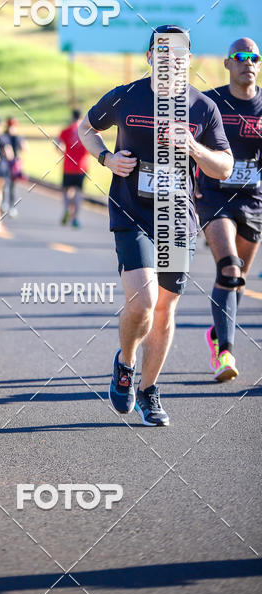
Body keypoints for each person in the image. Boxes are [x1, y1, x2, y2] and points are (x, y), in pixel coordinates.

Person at [79, 25, 232, 427]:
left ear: (188, 60)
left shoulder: (202, 107)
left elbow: (225, 165)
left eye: (178, 54)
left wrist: (194, 147)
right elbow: (86, 129)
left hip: (178, 218)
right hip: (131, 212)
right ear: (150, 57)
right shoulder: (127, 95)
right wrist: (107, 159)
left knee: (164, 310)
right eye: (162, 53)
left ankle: (148, 391)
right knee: (144, 302)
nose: (170, 60)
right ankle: (125, 362)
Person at [196, 37, 262, 382]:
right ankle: (225, 352)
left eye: (254, 57)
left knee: (238, 284)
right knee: (229, 270)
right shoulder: (213, 103)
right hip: (214, 195)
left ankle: (215, 332)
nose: (247, 62)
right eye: (240, 56)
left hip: (253, 200)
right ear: (228, 64)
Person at [57, 109, 90, 227]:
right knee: (78, 193)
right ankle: (75, 217)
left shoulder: (66, 130)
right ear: (81, 117)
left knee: (66, 191)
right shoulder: (86, 131)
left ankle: (67, 208)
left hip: (68, 166)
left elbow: (59, 146)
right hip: (82, 166)